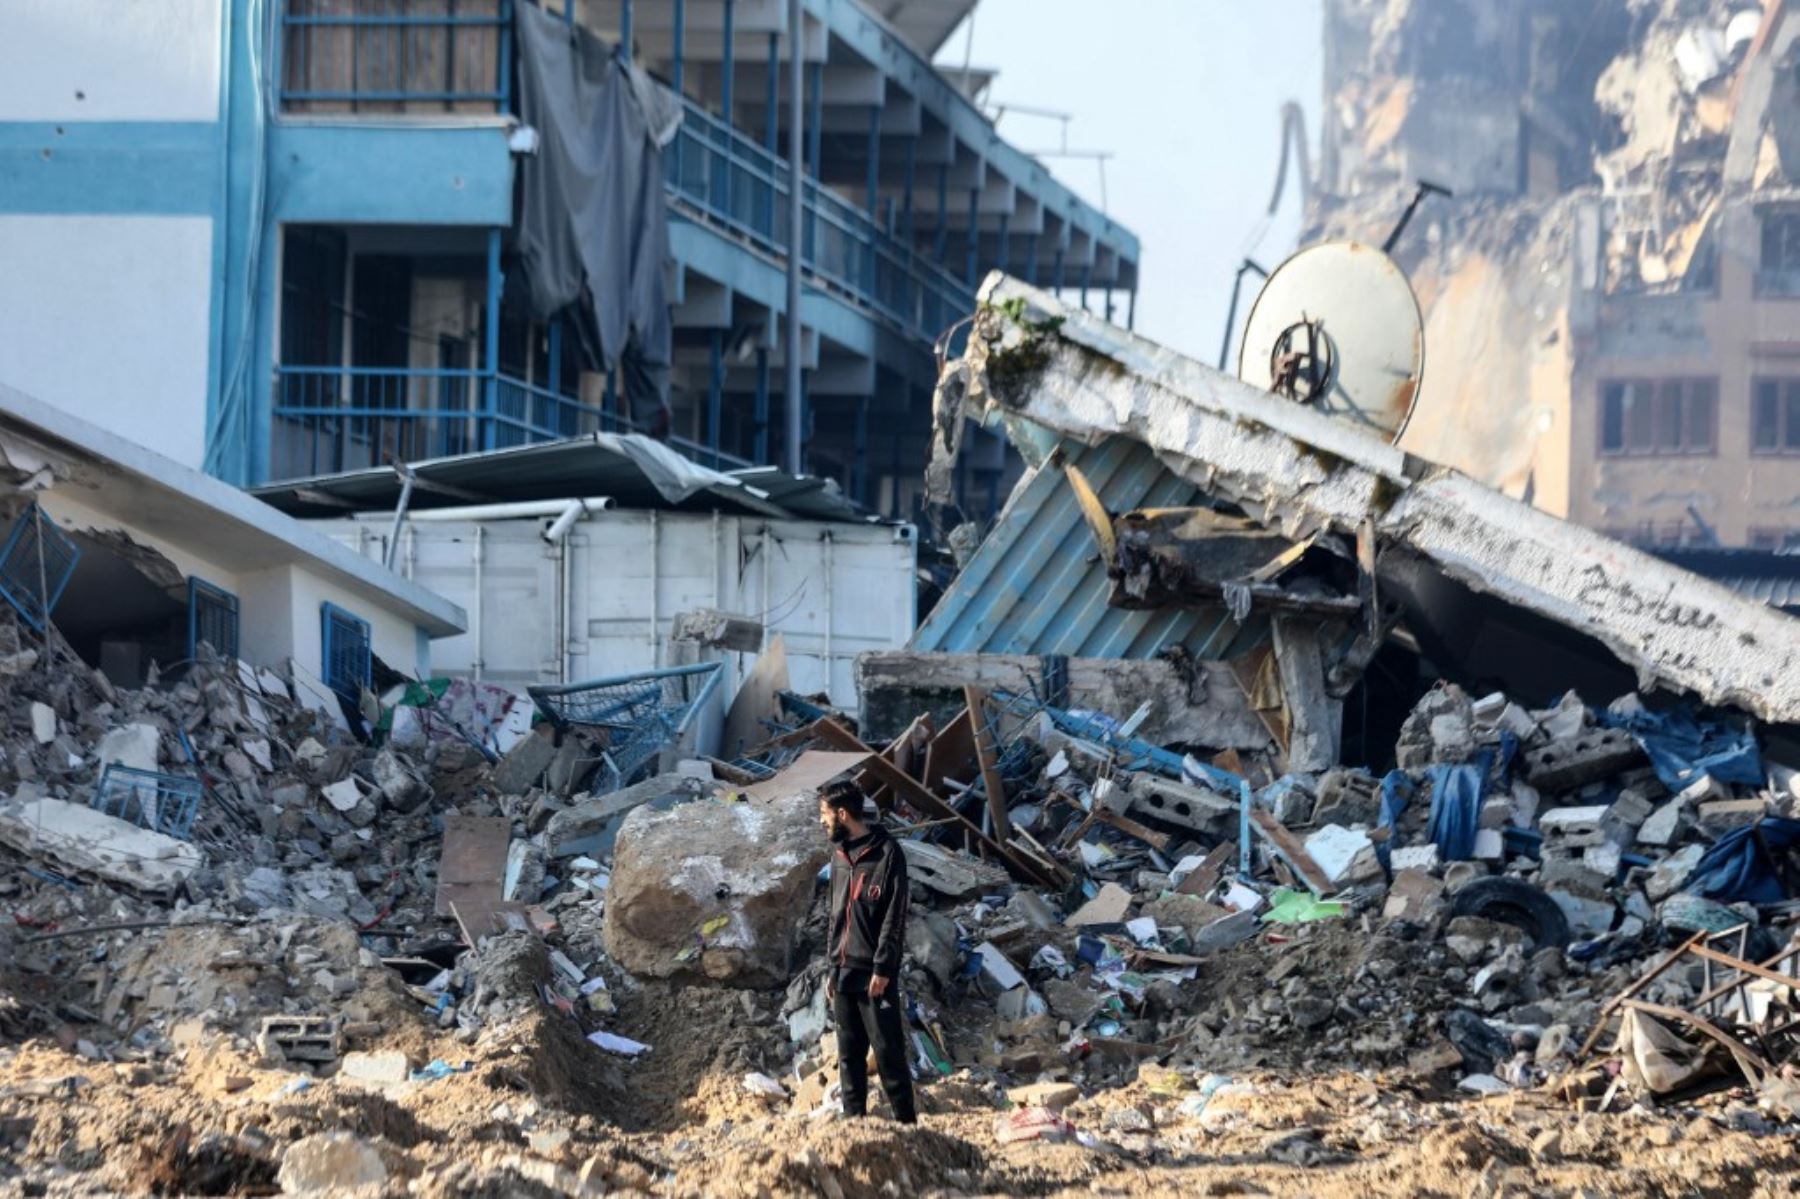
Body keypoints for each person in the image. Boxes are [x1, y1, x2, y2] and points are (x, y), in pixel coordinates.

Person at [818, 779, 917, 1124]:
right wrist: (831, 968)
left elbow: (895, 915)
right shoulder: (839, 856)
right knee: (849, 1056)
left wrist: (884, 968)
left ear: (842, 814)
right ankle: (854, 1125)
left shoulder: (888, 853)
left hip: (874, 974)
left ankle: (909, 1126)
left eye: (825, 814)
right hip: (843, 971)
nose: (822, 821)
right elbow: (834, 916)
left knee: (889, 1055)